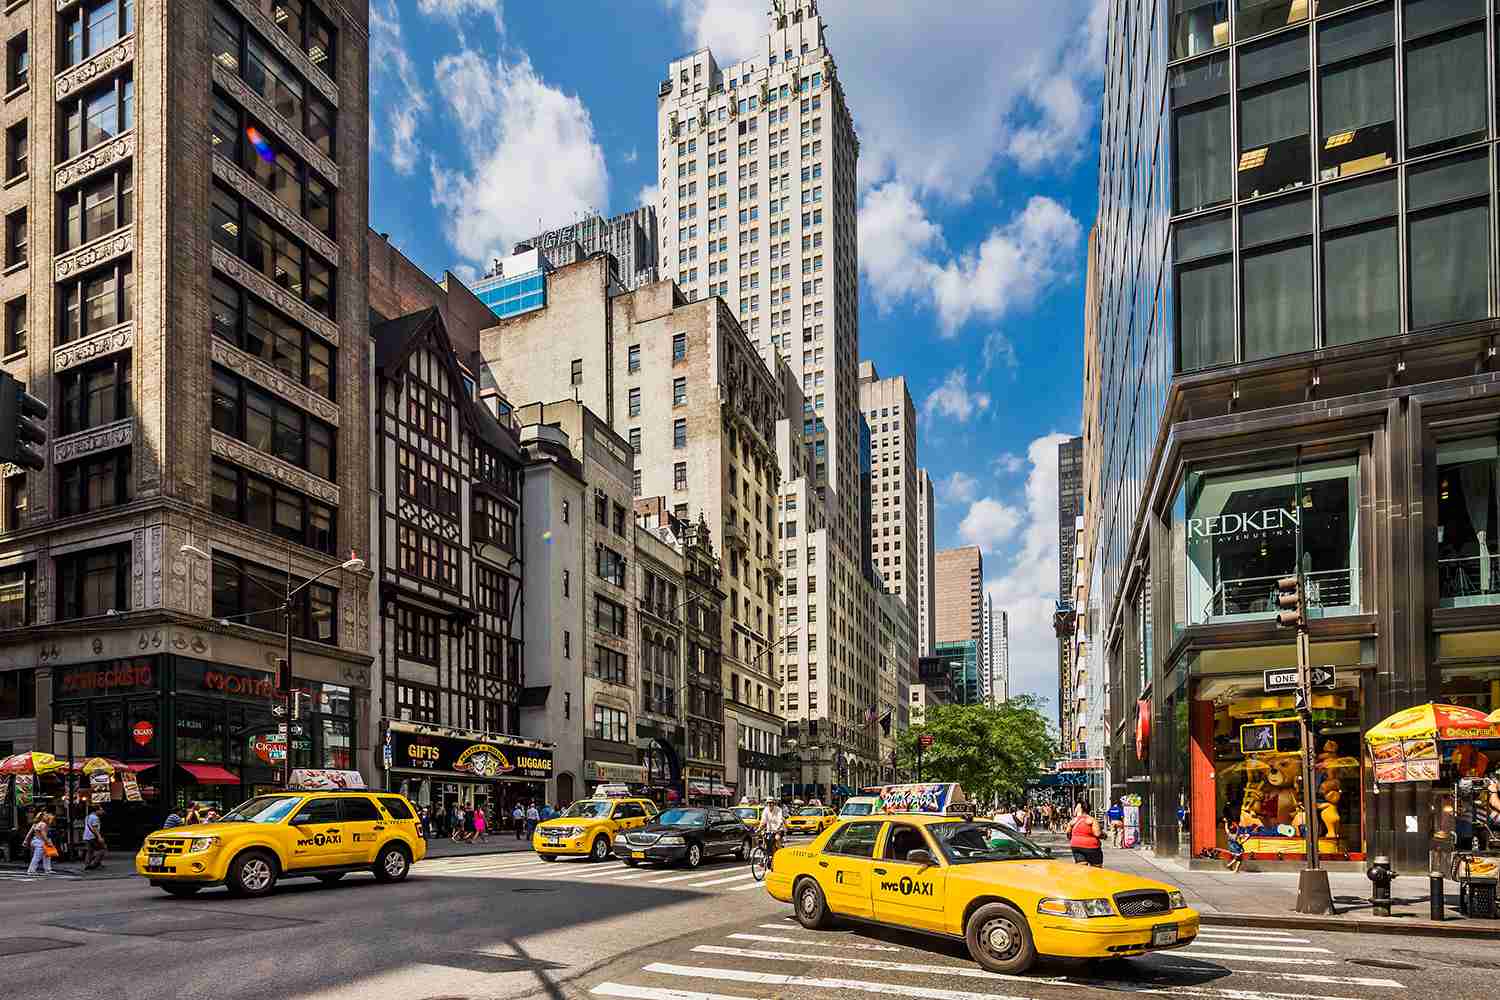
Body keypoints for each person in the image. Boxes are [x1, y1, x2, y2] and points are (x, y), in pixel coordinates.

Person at [1068, 800, 1104, 867]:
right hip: (1092, 847)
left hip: (1076, 846)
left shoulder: (1073, 821)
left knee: (1081, 867)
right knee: (1096, 868)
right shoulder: (1091, 820)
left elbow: (1068, 833)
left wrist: (1074, 839)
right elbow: (1097, 834)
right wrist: (1104, 835)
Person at [25, 812, 53, 876]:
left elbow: (29, 833)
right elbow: (43, 834)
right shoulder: (43, 824)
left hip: (37, 840)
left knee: (46, 855)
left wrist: (25, 840)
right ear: (42, 817)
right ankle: (31, 870)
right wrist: (48, 842)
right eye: (46, 816)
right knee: (39, 856)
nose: (47, 817)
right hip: (41, 841)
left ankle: (47, 869)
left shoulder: (36, 824)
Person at [82, 804, 106, 871]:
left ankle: (87, 865)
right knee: (102, 849)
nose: (102, 811)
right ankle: (94, 864)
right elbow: (95, 828)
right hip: (93, 836)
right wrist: (99, 837)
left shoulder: (87, 817)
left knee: (90, 851)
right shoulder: (95, 818)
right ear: (96, 810)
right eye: (101, 810)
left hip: (86, 836)